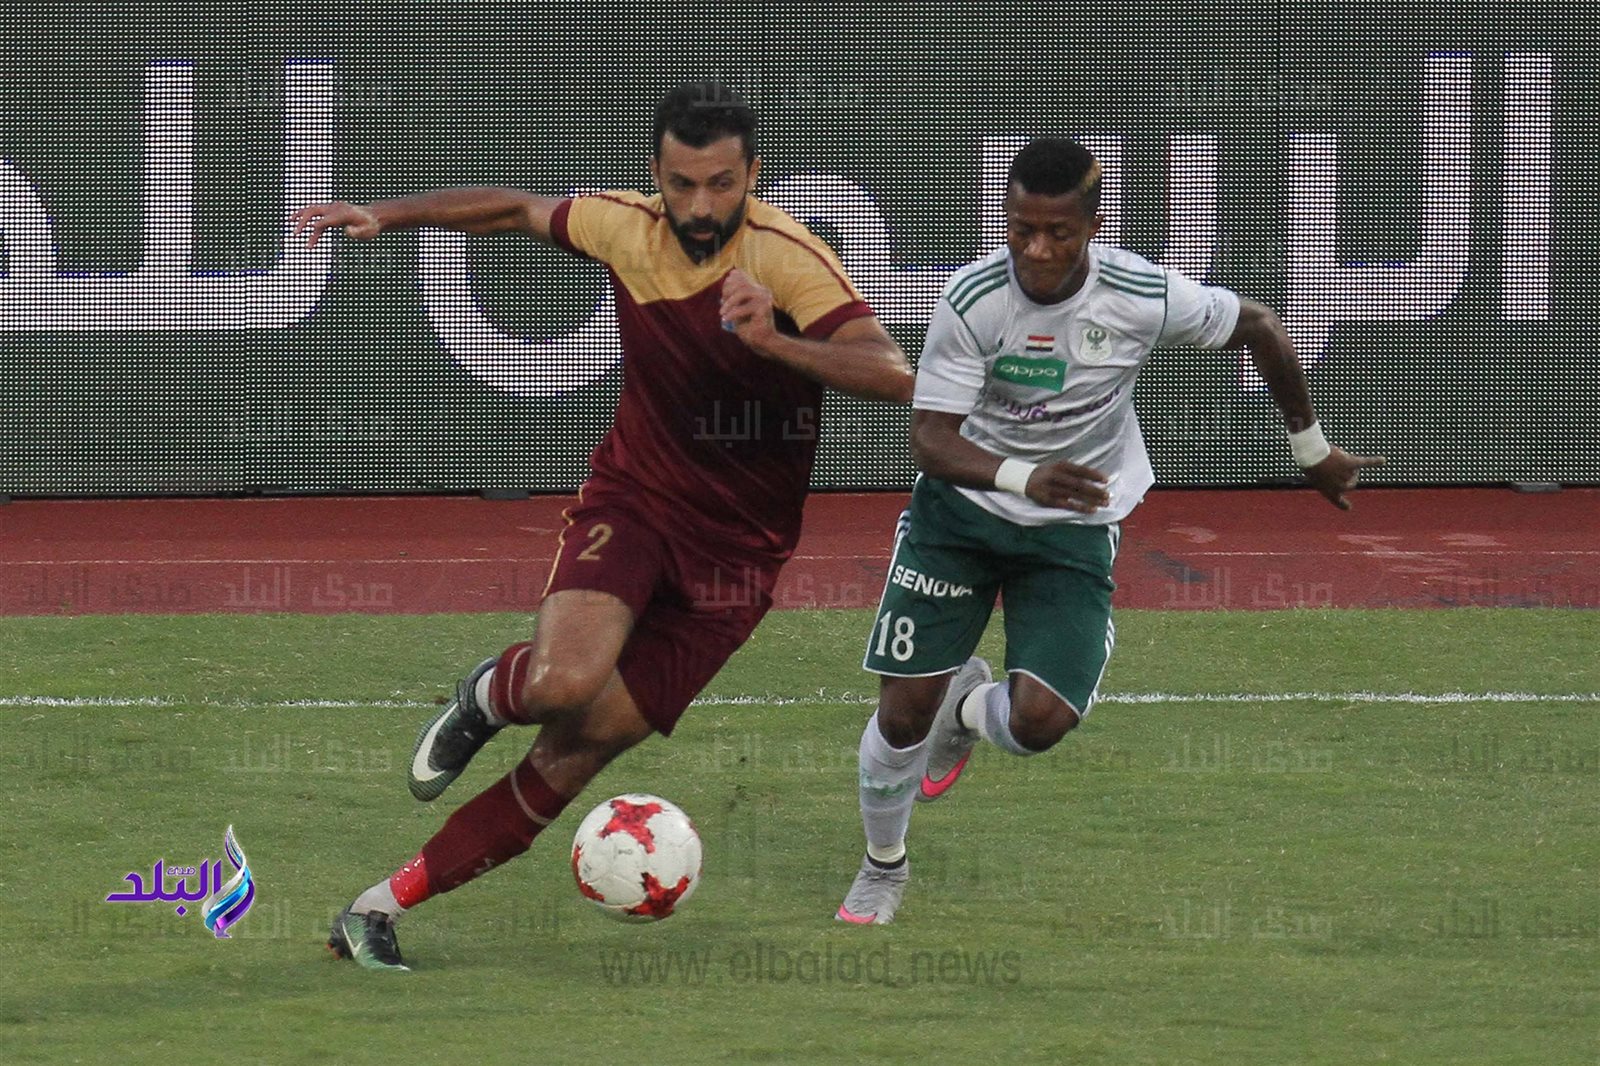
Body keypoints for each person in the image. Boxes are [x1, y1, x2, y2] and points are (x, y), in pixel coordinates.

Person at [293, 81, 913, 969]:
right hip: (638, 502)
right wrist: (385, 215)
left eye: (722, 184)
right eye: (682, 184)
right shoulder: (625, 227)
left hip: (736, 565)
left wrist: (774, 341)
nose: (701, 207)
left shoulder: (787, 258)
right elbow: (513, 210)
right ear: (655, 175)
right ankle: (489, 694)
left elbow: (893, 372)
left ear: (753, 176)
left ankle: (373, 911)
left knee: (573, 754)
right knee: (561, 684)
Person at [836, 138, 1384, 924]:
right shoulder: (972, 298)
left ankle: (966, 710)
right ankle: (882, 867)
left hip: (1073, 526)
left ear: (1094, 227)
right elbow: (931, 439)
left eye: (1058, 232)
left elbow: (1261, 327)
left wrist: (1312, 448)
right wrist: (1024, 476)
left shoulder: (1139, 293)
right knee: (899, 715)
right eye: (1021, 229)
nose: (1037, 249)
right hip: (959, 519)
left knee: (1039, 723)